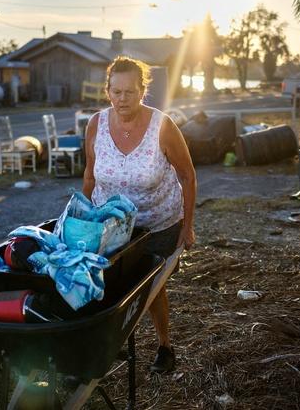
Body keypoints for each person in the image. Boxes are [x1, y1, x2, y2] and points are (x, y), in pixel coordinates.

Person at [82, 56, 196, 373]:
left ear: (142, 90)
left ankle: (164, 346)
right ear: (108, 91)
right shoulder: (96, 125)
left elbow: (187, 176)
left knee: (152, 288)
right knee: (107, 286)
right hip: (111, 226)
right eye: (116, 92)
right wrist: (83, 220)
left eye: (129, 92)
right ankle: (105, 346)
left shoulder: (163, 126)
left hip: (157, 224)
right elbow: (90, 176)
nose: (122, 99)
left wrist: (188, 228)